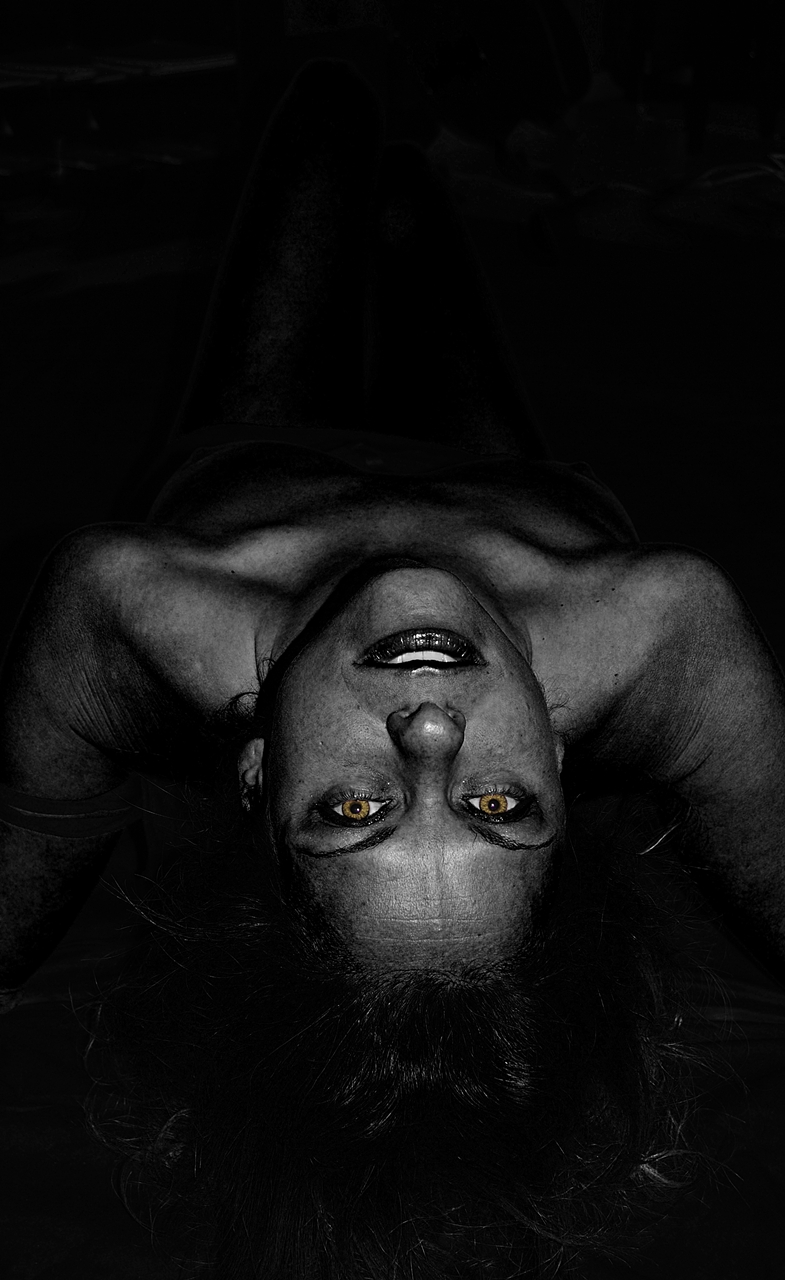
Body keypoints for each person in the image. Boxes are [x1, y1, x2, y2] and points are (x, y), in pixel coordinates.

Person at [2, 58, 785, 1279]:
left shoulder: (130, 601)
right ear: (560, 759)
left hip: (255, 444)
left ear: (255, 774)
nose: (428, 731)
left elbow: (19, 877)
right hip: (519, 487)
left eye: (353, 808)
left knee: (324, 113)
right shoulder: (663, 629)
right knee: (416, 214)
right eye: (499, 803)